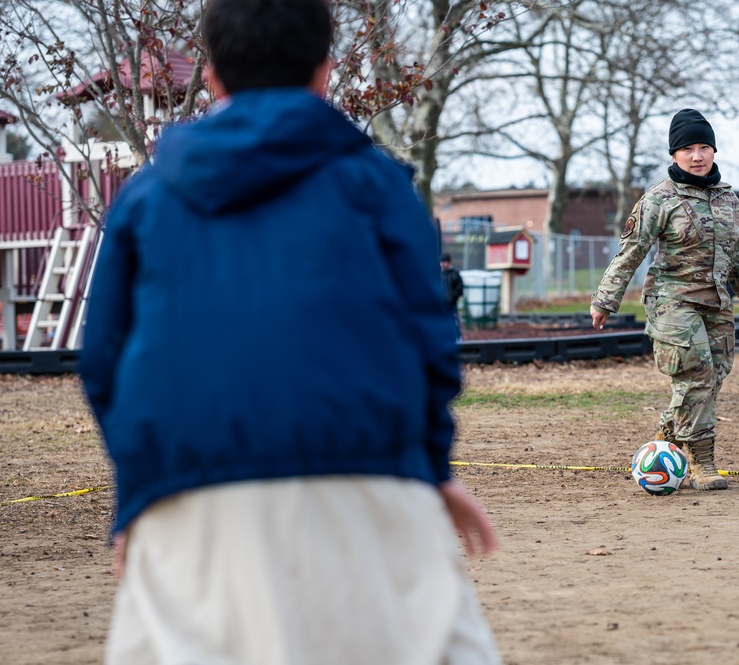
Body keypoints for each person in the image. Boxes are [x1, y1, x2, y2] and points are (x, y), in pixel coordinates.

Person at [78, 0, 501, 663]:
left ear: (212, 78)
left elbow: (102, 356)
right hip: (365, 470)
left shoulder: (144, 197)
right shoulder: (375, 183)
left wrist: (143, 490)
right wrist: (430, 465)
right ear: (325, 73)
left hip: (189, 484)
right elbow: (428, 335)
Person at [590, 108, 739, 491]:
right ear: (674, 154)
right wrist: (605, 300)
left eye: (704, 147)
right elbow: (631, 251)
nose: (697, 156)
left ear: (714, 152)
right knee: (697, 375)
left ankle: (666, 439)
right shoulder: (659, 199)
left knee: (713, 378)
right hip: (672, 302)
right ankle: (703, 464)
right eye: (688, 148)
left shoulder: (728, 199)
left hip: (717, 303)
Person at [440, 253, 464, 340]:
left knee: (454, 321)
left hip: (452, 304)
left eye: (444, 262)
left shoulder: (455, 274)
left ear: (449, 263)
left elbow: (459, 287)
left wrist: (453, 297)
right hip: (441, 304)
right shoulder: (439, 274)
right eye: (441, 262)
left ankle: (458, 338)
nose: (442, 264)